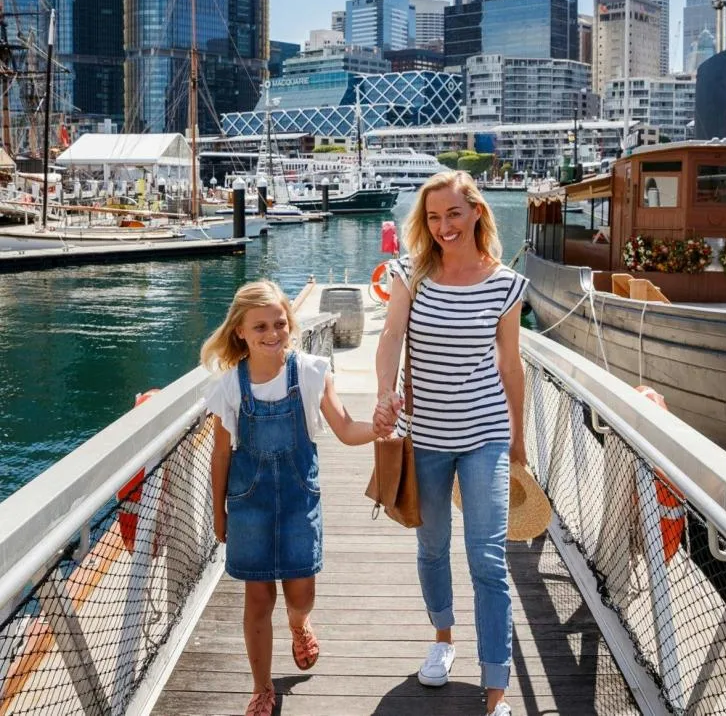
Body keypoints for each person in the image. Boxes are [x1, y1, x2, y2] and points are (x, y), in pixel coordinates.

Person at [373, 171, 528, 716]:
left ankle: (496, 690)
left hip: (485, 434)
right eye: (434, 218)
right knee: (432, 547)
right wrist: (383, 392)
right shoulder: (411, 275)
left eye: (454, 215)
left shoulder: (505, 283)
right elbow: (391, 336)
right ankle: (443, 639)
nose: (444, 227)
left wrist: (519, 441)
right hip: (426, 438)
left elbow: (511, 364)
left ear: (477, 213)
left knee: (487, 560)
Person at [203, 280, 376, 716]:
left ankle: (300, 626)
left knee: (301, 594)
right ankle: (263, 687)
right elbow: (221, 454)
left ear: (289, 324)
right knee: (258, 599)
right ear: (239, 331)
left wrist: (379, 427)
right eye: (259, 325)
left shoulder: (313, 371)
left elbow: (346, 429)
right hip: (249, 507)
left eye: (279, 322)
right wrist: (218, 514)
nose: (272, 332)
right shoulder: (228, 386)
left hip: (300, 503)